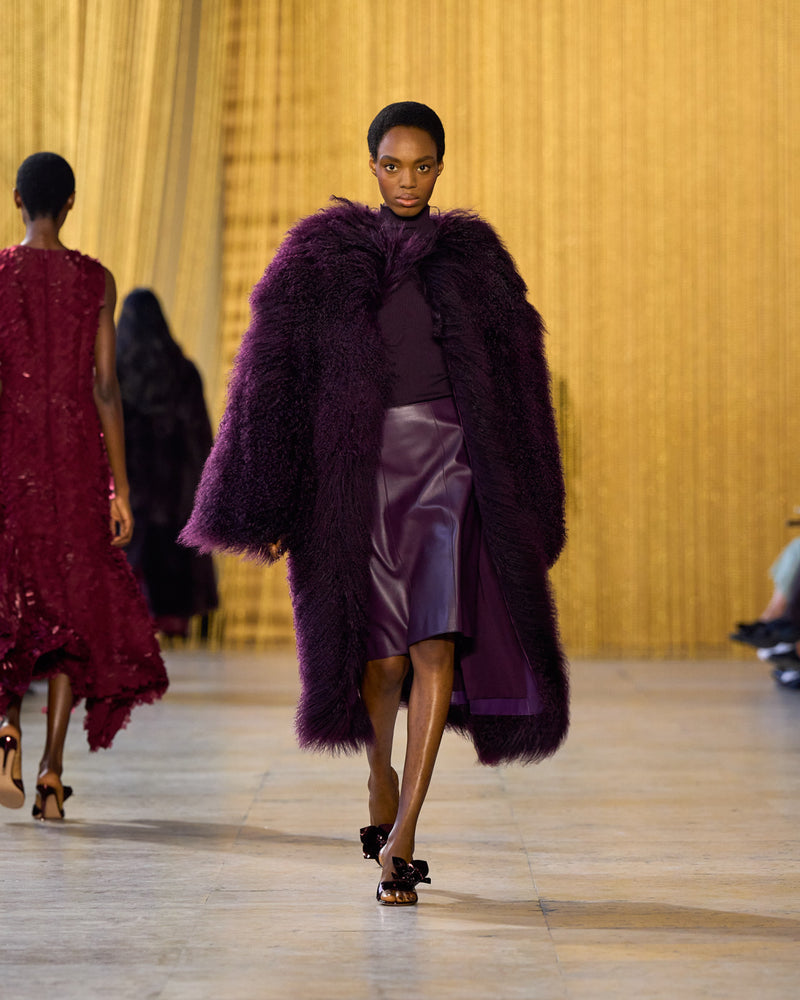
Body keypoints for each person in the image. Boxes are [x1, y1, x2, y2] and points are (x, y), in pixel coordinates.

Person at [181, 103, 569, 905]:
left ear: (440, 169)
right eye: (393, 165)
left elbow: (521, 386)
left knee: (435, 645)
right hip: (357, 474)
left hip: (449, 469)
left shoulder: (475, 262)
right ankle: (380, 773)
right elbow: (269, 379)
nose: (407, 180)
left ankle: (405, 838)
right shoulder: (319, 258)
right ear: (372, 166)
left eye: (422, 166)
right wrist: (267, 496)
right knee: (382, 660)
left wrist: (530, 501)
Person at [0, 153, 168, 821]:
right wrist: (118, 486)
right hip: (73, 461)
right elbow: (104, 385)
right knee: (70, 611)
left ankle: (6, 728)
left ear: (17, 199)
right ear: (70, 202)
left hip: (10, 456)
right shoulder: (95, 280)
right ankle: (51, 773)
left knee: (11, 598)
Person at [116, 288, 218, 638]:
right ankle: (171, 623)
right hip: (176, 490)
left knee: (129, 571)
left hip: (128, 491)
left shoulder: (114, 375)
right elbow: (200, 436)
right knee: (172, 571)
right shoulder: (184, 372)